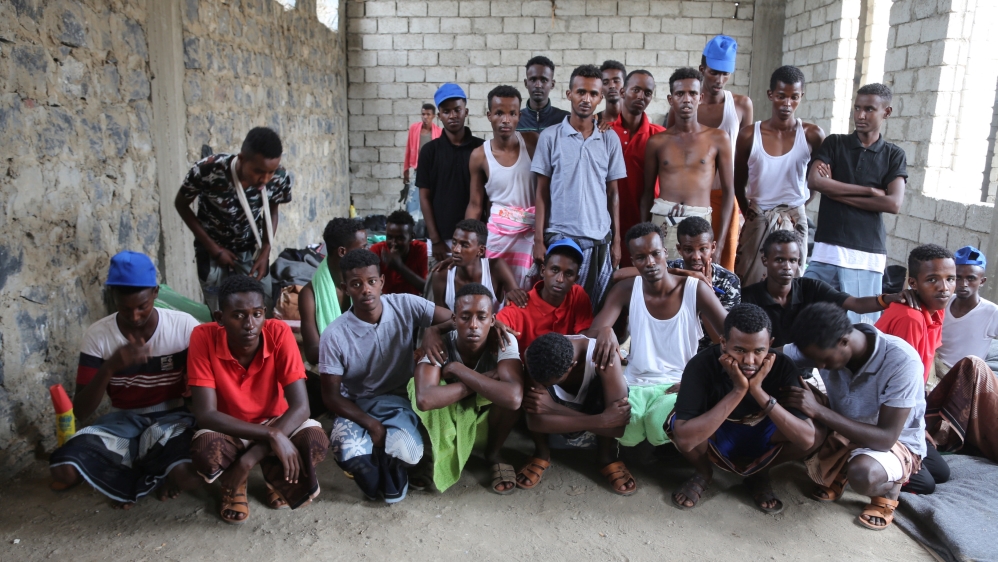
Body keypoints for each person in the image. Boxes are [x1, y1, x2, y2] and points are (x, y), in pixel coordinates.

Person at [49, 252, 201, 508]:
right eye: (125, 308)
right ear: (113, 297)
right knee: (63, 469)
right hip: (121, 421)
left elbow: (205, 386)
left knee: (187, 475)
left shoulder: (184, 327)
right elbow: (82, 411)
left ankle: (139, 469)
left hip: (172, 418)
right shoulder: (98, 335)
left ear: (155, 292)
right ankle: (150, 470)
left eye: (142, 306)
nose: (135, 316)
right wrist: (110, 367)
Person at [188, 275, 329, 524]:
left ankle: (274, 475)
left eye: (257, 314)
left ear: (265, 313)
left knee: (315, 441)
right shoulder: (203, 337)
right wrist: (273, 437)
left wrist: (249, 459)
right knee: (206, 449)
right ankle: (237, 483)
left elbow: (301, 407)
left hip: (276, 420)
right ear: (220, 318)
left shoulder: (278, 332)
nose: (250, 324)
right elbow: (206, 414)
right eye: (239, 315)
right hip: (230, 427)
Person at [319, 249, 453, 504]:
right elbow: (332, 397)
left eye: (371, 282)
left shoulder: (405, 304)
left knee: (407, 456)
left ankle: (391, 468)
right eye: (356, 284)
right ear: (345, 288)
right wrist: (372, 425)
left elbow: (457, 320)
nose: (366, 290)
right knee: (348, 450)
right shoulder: (334, 335)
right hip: (356, 406)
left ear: (381, 282)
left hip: (399, 402)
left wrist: (433, 330)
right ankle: (372, 472)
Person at [781, 303, 928, 530]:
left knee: (863, 474)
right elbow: (773, 354)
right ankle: (840, 465)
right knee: (786, 402)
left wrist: (818, 410)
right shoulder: (822, 342)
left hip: (892, 443)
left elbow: (885, 438)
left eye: (823, 360)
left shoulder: (901, 361)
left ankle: (889, 489)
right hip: (843, 427)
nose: (819, 366)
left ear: (844, 341)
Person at [587, 223, 727, 449]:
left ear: (666, 252)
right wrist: (605, 330)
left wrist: (699, 381)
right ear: (633, 261)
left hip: (679, 382)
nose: (650, 262)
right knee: (628, 431)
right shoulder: (626, 290)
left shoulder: (695, 289)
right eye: (641, 257)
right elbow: (593, 334)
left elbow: (732, 338)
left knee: (655, 425)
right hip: (635, 383)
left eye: (654, 253)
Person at [669, 304, 819, 512]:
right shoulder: (701, 365)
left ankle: (759, 472)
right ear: (723, 343)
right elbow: (685, 439)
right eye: (739, 350)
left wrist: (758, 391)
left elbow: (806, 439)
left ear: (770, 345)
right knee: (678, 423)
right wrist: (738, 390)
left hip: (764, 432)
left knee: (816, 432)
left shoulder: (783, 365)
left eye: (759, 351)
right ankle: (703, 472)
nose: (749, 361)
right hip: (718, 432)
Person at [806, 83, 907, 322]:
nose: (860, 115)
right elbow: (815, 181)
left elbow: (893, 204)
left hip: (866, 253)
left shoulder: (894, 155)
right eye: (857, 108)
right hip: (827, 249)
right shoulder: (835, 143)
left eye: (869, 109)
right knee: (808, 317)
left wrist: (835, 192)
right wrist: (871, 191)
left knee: (859, 328)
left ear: (887, 112)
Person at [410, 283, 523, 494]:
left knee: (514, 391)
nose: (473, 325)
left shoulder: (504, 341)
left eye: (481, 317)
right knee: (414, 386)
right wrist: (480, 380)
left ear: (492, 320)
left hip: (483, 415)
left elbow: (514, 398)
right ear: (454, 320)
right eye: (465, 317)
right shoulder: (439, 342)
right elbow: (425, 399)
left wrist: (457, 369)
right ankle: (436, 452)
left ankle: (493, 453)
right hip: (449, 408)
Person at [533, 64, 627, 311]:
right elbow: (541, 192)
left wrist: (617, 241)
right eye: (581, 92)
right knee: (557, 309)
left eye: (593, 94)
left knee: (592, 310)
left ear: (600, 98)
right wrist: (538, 239)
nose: (586, 99)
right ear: (569, 94)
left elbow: (613, 193)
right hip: (561, 237)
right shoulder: (551, 137)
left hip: (598, 240)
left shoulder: (609, 138)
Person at [175, 127, 292, 311]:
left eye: (271, 172)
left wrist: (266, 250)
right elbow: (181, 204)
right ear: (242, 159)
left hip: (250, 247)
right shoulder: (208, 170)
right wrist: (213, 248)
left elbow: (272, 212)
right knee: (220, 309)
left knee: (263, 304)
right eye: (259, 171)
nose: (265, 179)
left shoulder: (278, 177)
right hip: (211, 246)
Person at [666, 36, 753, 271]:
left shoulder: (741, 105)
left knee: (722, 261)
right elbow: (670, 153)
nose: (720, 80)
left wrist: (744, 203)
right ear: (702, 69)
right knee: (684, 263)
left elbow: (745, 157)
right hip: (690, 197)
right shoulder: (684, 106)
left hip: (725, 195)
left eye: (726, 74)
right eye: (714, 73)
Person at [734, 65, 825, 285]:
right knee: (747, 280)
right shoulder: (749, 135)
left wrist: (801, 203)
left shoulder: (812, 135)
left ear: (801, 97)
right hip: (758, 215)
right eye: (781, 96)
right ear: (770, 95)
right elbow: (738, 180)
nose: (787, 104)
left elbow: (817, 178)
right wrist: (750, 212)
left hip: (793, 217)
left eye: (794, 97)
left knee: (790, 283)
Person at [743, 230, 907, 347]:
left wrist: (888, 299)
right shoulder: (750, 297)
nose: (787, 267)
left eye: (792, 260)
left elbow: (855, 304)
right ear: (765, 260)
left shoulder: (810, 287)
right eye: (779, 260)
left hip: (806, 368)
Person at [519, 333, 634, 495]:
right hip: (585, 418)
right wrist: (602, 420)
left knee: (607, 393)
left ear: (572, 365)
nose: (543, 385)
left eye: (552, 383)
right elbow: (535, 422)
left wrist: (554, 409)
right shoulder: (535, 356)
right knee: (533, 401)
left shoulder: (603, 357)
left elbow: (617, 429)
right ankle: (542, 453)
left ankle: (605, 457)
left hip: (583, 408)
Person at [643, 67, 734, 263]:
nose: (686, 99)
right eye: (680, 94)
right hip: (663, 220)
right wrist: (645, 238)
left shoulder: (718, 138)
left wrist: (719, 245)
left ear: (700, 97)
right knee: (664, 284)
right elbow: (646, 192)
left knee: (697, 284)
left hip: (700, 222)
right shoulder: (657, 141)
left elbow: (729, 193)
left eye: (692, 93)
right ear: (670, 99)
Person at [467, 85, 538, 290]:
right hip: (498, 235)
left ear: (519, 116)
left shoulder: (533, 142)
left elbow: (545, 192)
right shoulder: (479, 155)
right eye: (499, 113)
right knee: (493, 288)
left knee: (525, 290)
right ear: (489, 115)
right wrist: (465, 241)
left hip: (529, 233)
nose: (506, 119)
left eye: (512, 113)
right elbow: (475, 204)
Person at [298, 217, 368, 416]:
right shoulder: (309, 295)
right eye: (363, 247)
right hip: (328, 377)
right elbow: (312, 352)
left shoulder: (364, 284)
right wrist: (356, 350)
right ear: (342, 252)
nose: (367, 252)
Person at [418, 83, 485, 264]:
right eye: (447, 112)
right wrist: (436, 240)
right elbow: (424, 197)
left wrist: (477, 239)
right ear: (439, 116)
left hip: (474, 241)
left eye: (457, 110)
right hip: (441, 242)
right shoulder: (429, 151)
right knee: (439, 289)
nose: (453, 116)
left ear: (466, 111)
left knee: (473, 290)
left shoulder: (481, 148)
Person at [496, 239, 593, 360]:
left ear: (576, 278)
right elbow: (495, 326)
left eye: (568, 274)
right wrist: (492, 324)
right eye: (555, 270)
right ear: (543, 271)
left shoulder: (577, 295)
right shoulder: (520, 306)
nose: (560, 279)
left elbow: (584, 338)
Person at [609, 70, 666, 266]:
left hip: (644, 224)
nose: (641, 96)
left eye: (647, 92)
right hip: (608, 225)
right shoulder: (604, 131)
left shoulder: (659, 136)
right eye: (636, 90)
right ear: (623, 91)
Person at [875, 244, 955, 382]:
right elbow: (901, 379)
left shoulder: (937, 309)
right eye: (932, 280)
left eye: (950, 279)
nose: (944, 288)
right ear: (913, 283)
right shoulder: (910, 318)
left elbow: (927, 359)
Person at [667, 216, 741, 349]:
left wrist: (706, 293)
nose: (696, 256)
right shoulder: (670, 270)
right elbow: (621, 275)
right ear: (679, 249)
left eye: (703, 249)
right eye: (689, 250)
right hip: (673, 348)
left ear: (713, 247)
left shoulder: (728, 281)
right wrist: (686, 274)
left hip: (710, 351)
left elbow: (721, 338)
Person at [430, 219, 528, 312]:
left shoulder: (496, 268)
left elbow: (518, 300)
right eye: (454, 242)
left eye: (464, 245)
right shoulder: (441, 275)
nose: (456, 249)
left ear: (480, 251)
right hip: (455, 330)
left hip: (494, 329)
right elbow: (440, 321)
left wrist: (512, 296)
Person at [937, 246, 998, 371]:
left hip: (964, 378)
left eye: (971, 278)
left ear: (982, 281)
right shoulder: (942, 302)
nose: (963, 284)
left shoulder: (992, 312)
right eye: (957, 278)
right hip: (934, 370)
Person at [369, 210, 428, 296]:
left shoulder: (422, 250)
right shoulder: (377, 250)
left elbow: (427, 288)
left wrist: (400, 267)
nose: (393, 243)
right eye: (389, 237)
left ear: (411, 237)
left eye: (400, 238)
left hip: (414, 303)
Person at [518, 56, 570, 133]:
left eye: (544, 80)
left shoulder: (565, 119)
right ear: (526, 83)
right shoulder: (516, 120)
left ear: (552, 84)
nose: (538, 85)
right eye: (533, 79)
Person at [403, 103, 442, 186]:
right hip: (418, 170)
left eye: (428, 114)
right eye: (423, 114)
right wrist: (406, 169)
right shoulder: (414, 129)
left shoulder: (439, 132)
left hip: (433, 171)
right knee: (415, 197)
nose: (425, 117)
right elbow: (409, 148)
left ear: (433, 116)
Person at [597, 60, 626, 124]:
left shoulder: (635, 122)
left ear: (625, 85)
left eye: (616, 81)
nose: (611, 86)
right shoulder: (594, 121)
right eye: (605, 82)